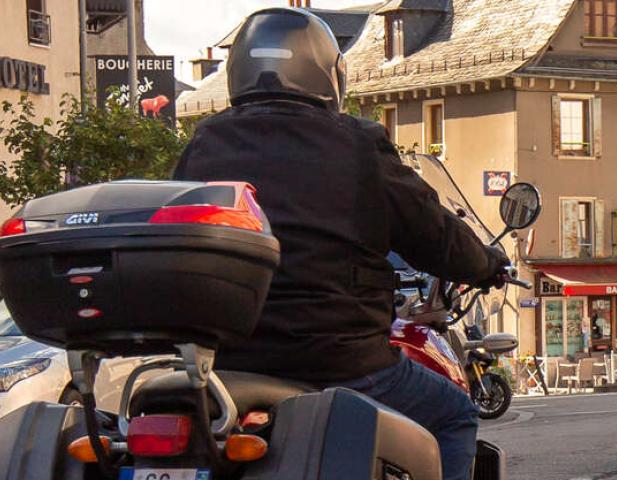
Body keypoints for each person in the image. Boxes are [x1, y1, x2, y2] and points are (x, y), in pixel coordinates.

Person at [173, 8, 508, 480]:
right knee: (454, 414)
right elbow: (433, 233)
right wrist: (486, 263)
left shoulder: (205, 142)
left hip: (229, 361)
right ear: (328, 73)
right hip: (338, 358)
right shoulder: (357, 144)